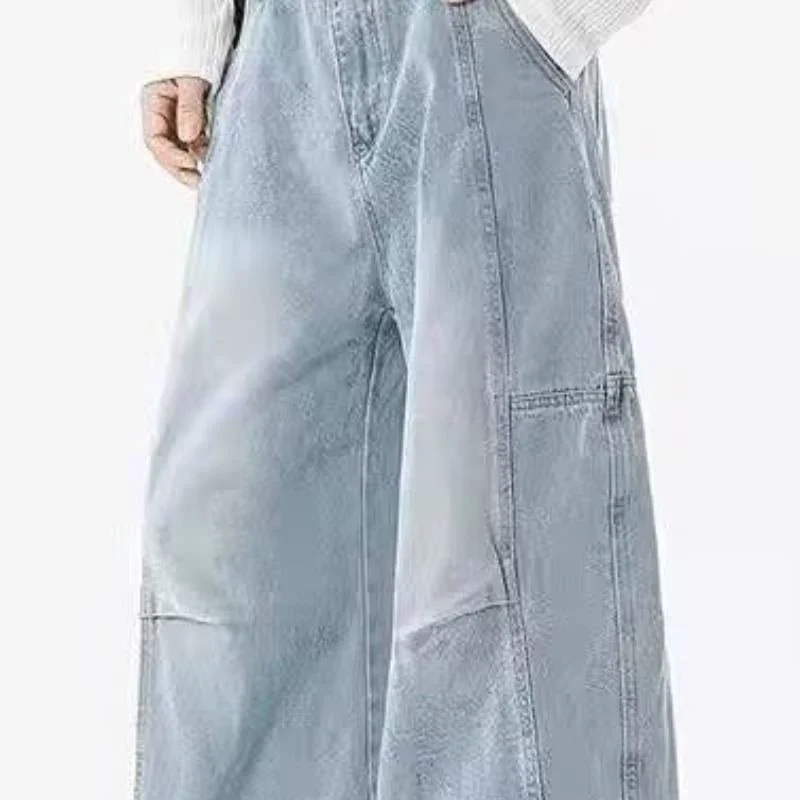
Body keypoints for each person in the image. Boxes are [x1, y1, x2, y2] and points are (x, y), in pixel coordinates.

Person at [135, 1, 679, 798]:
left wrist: (547, 22)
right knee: (232, 568)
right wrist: (202, 33)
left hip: (473, 36)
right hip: (273, 56)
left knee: (499, 571)